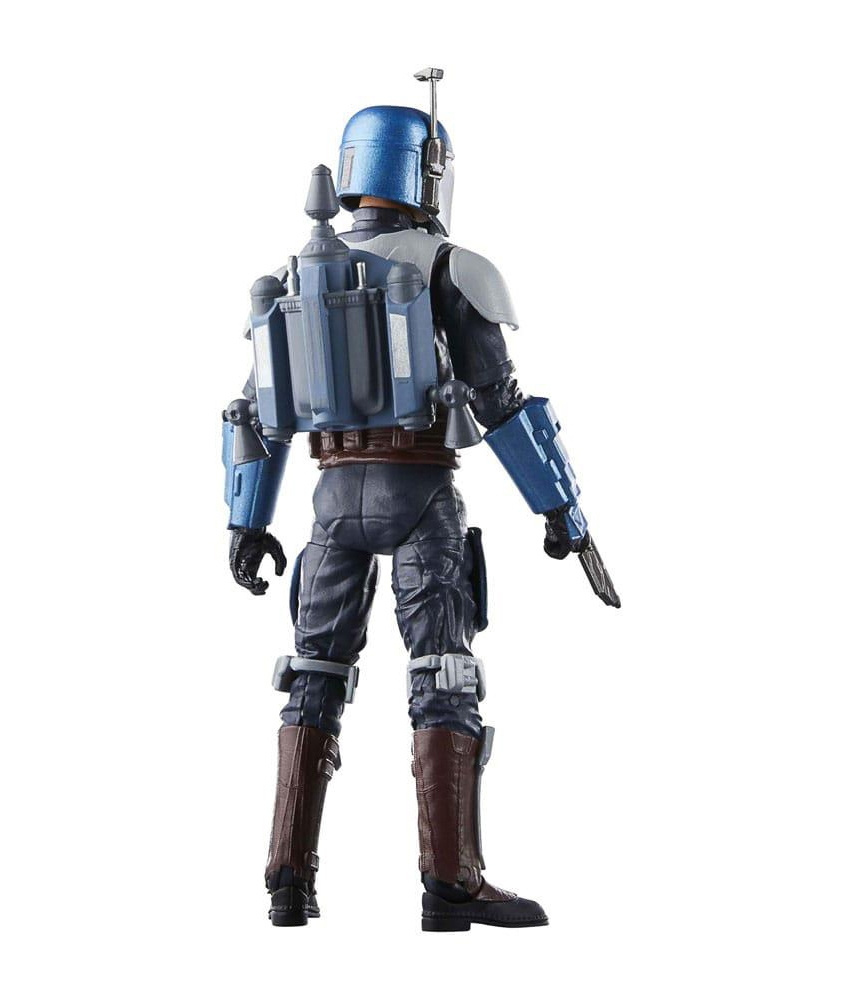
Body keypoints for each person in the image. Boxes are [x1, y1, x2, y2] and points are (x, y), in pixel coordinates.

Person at [222, 70, 617, 931]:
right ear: (427, 170)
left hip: (330, 506)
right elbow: (501, 403)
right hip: (421, 492)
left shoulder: (297, 273)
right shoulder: (447, 267)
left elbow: (254, 413)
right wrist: (563, 512)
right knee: (444, 675)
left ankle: (288, 880)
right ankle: (451, 882)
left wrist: (245, 524)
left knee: (312, 679)